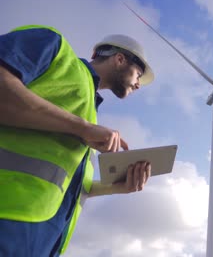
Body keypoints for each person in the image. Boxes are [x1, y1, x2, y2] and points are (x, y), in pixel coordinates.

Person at [0, 25, 155, 256]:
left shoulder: (91, 113)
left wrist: (116, 188)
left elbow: (65, 184)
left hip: (42, 243)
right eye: (138, 74)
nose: (138, 84)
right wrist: (81, 128)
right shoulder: (54, 47)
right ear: (120, 59)